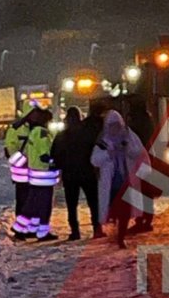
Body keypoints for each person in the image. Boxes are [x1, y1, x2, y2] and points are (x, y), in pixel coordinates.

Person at [90, 109, 149, 248]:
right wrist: (108, 154)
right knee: (114, 210)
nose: (114, 128)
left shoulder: (129, 137)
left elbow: (140, 152)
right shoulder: (103, 141)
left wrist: (127, 150)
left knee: (125, 211)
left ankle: (121, 236)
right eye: (111, 125)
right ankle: (117, 231)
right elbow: (94, 160)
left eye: (116, 125)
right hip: (112, 183)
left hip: (127, 181)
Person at [51, 107, 102, 241]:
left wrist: (59, 166)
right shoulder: (88, 133)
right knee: (93, 201)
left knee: (71, 204)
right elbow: (97, 149)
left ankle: (75, 231)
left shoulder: (62, 135)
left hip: (70, 175)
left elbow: (55, 154)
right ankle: (97, 228)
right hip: (87, 172)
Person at [16, 107, 59, 243]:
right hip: (44, 175)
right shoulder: (42, 133)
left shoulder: (33, 132)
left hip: (34, 173)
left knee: (33, 203)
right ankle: (42, 232)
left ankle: (21, 226)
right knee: (44, 205)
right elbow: (44, 154)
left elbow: (30, 153)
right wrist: (55, 161)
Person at [124, 94, 156, 233]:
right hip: (147, 156)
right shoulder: (147, 119)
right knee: (146, 191)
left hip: (139, 158)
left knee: (139, 190)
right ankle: (146, 219)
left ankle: (141, 220)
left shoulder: (138, 121)